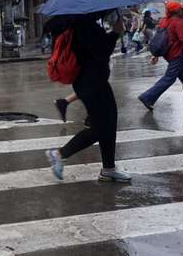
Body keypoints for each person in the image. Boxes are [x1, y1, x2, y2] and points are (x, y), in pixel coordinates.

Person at [45, 11, 130, 183]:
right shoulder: (85, 28)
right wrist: (115, 33)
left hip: (93, 83)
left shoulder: (80, 26)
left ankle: (108, 169)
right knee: (100, 128)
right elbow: (101, 52)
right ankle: (59, 154)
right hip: (91, 84)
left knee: (109, 122)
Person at [138, 1, 183, 112]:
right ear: (177, 11)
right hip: (176, 54)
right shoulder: (177, 22)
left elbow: (160, 39)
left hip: (169, 54)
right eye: (181, 9)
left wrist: (155, 55)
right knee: (169, 78)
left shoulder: (164, 21)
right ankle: (147, 97)